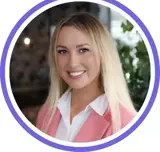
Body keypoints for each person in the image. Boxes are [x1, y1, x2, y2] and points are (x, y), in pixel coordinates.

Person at [36, 12, 137, 142]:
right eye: (62, 51)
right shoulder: (46, 113)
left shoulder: (125, 122)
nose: (72, 63)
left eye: (83, 50)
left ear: (103, 54)